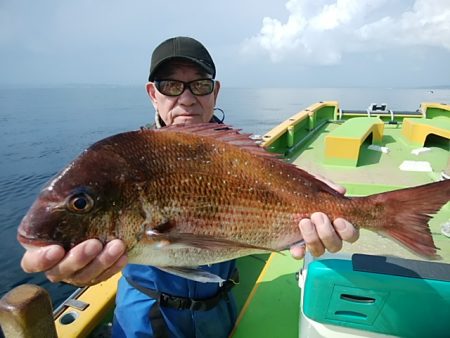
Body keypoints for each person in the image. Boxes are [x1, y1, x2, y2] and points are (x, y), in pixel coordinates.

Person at [21, 36, 359, 337]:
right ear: (152, 94)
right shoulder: (128, 162)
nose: (185, 99)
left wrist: (317, 191)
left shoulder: (241, 154)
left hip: (220, 305)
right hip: (148, 316)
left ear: (215, 91)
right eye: (170, 85)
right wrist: (70, 265)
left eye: (199, 85)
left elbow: (271, 180)